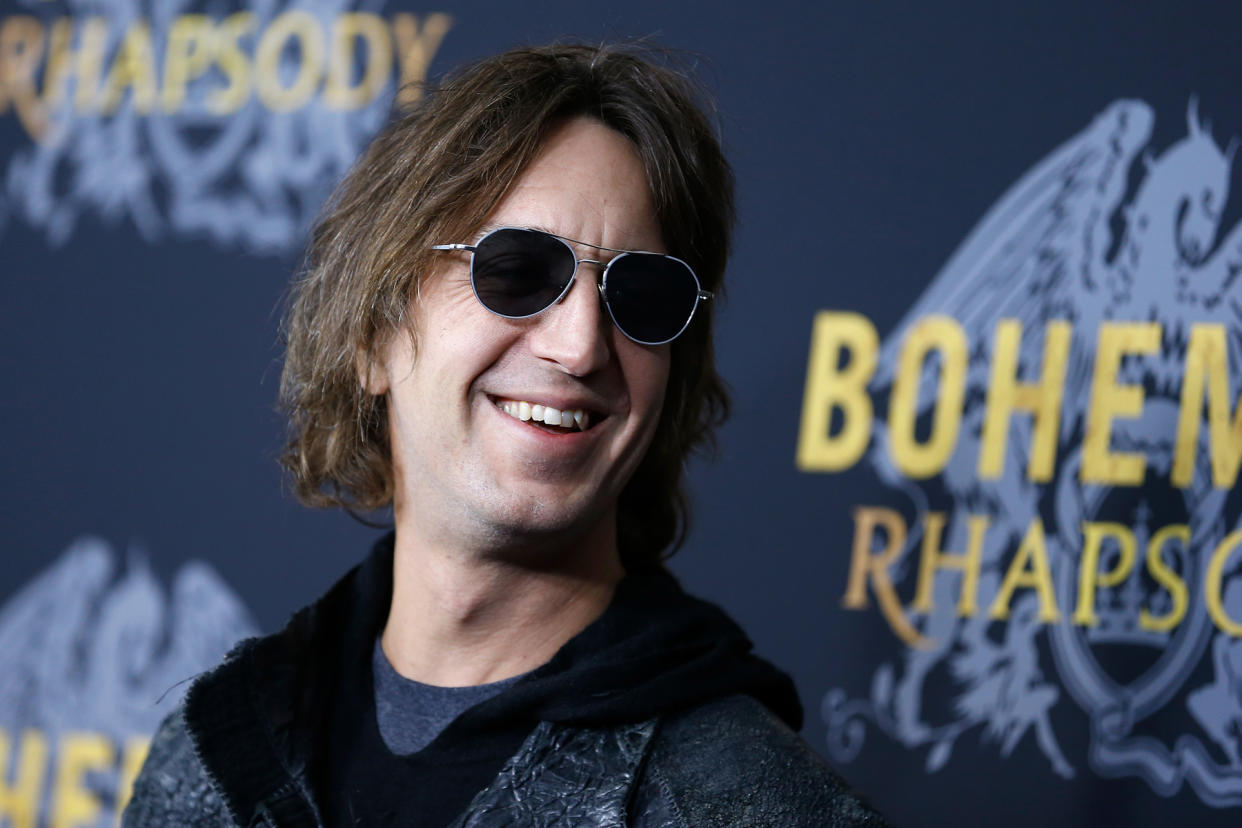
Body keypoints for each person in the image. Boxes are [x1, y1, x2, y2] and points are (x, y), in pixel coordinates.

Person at [123, 43, 887, 827]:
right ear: (372, 334)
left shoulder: (745, 804)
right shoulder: (210, 760)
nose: (581, 344)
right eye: (518, 271)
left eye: (641, 295)